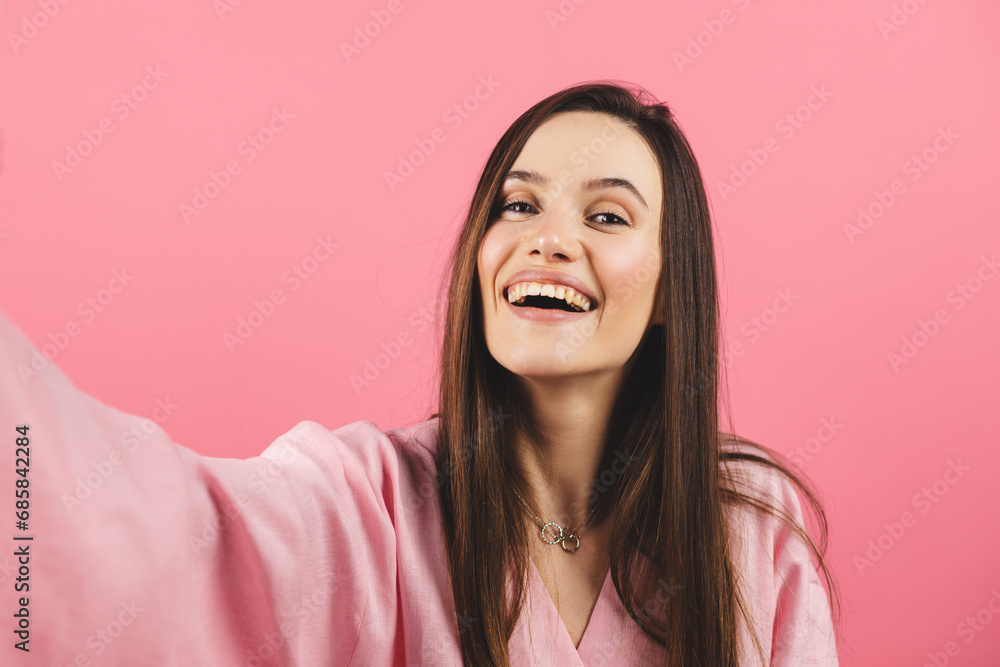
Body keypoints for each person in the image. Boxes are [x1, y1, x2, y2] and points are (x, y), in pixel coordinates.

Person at [0, 81, 840, 666]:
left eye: (608, 214)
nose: (546, 238)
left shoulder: (752, 530)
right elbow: (166, 533)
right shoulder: (371, 502)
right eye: (519, 204)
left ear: (670, 289)